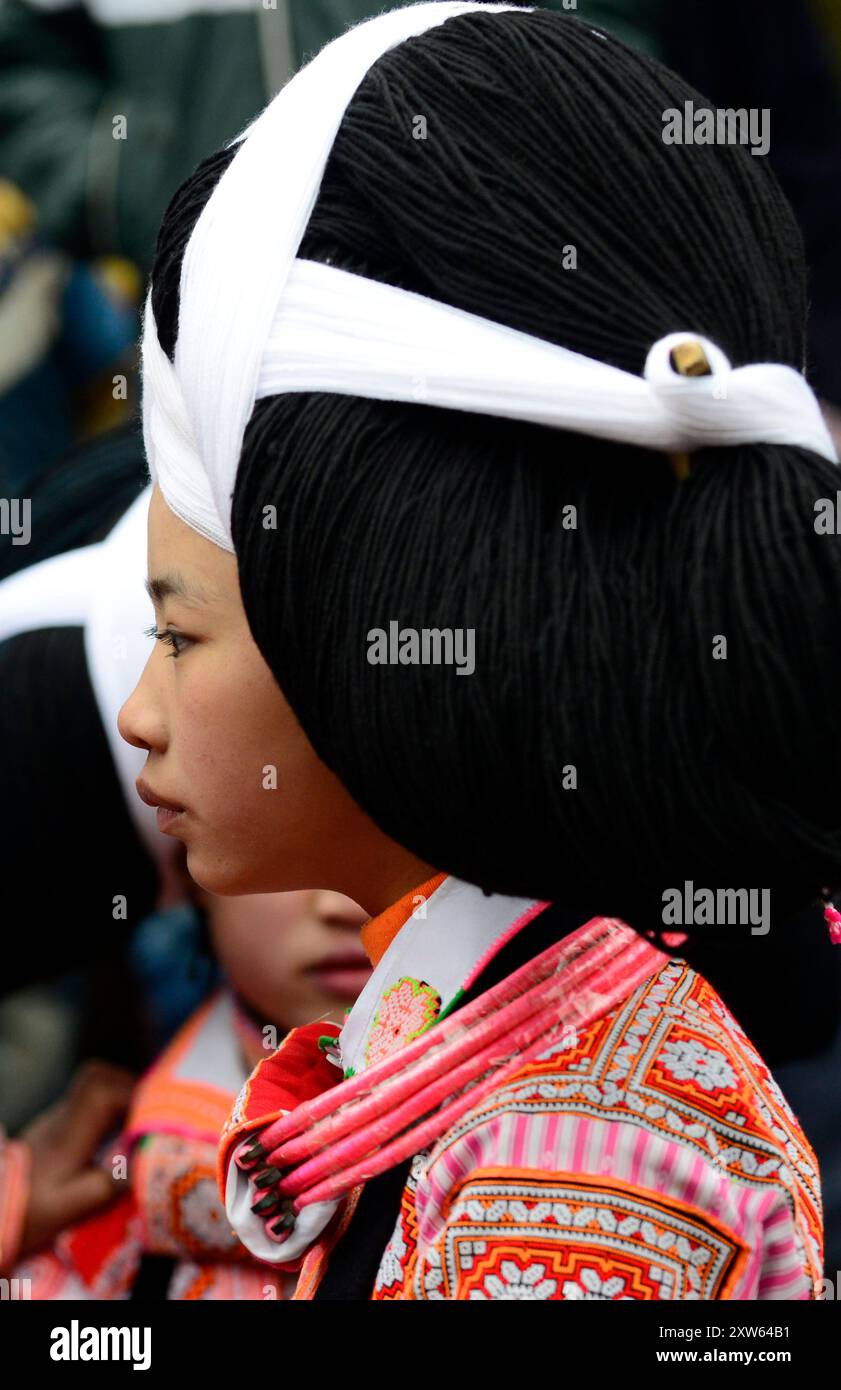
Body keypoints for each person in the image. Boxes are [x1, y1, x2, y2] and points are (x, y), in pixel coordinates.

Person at [121, 4, 841, 1299]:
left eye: (177, 633)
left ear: (356, 628)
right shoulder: (528, 1063)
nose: (135, 709)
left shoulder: (576, 1187)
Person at [0, 887, 369, 1299]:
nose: (348, 906)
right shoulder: (77, 1212)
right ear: (192, 868)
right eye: (297, 854)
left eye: (402, 843)